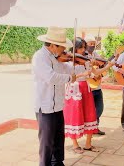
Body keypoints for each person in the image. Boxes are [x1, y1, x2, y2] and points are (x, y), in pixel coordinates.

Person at [32, 27, 76, 166]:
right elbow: (51, 77)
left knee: (58, 138)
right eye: (61, 46)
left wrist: (87, 66)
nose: (63, 49)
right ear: (52, 45)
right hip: (45, 107)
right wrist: (69, 78)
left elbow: (69, 69)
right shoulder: (40, 57)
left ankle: (57, 162)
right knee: (46, 142)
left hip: (57, 106)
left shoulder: (56, 58)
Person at [63, 37, 115, 154]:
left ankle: (88, 144)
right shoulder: (67, 60)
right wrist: (83, 73)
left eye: (84, 48)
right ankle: (75, 144)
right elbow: (67, 76)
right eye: (81, 48)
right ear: (75, 47)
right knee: (75, 116)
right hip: (74, 89)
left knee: (90, 114)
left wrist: (108, 66)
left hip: (86, 89)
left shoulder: (86, 60)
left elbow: (95, 73)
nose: (83, 50)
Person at [84, 35, 105, 135]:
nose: (92, 45)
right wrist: (93, 74)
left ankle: (94, 126)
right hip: (89, 86)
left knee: (100, 108)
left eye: (93, 44)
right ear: (85, 45)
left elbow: (101, 67)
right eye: (90, 44)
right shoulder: (83, 56)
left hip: (98, 86)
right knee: (89, 109)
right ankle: (91, 128)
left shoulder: (96, 54)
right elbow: (85, 70)